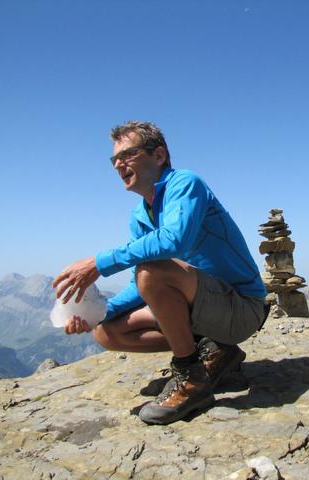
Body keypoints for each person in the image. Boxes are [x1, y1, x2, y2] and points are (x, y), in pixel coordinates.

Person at [53, 120, 267, 425]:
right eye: (114, 159)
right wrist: (97, 313)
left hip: (241, 307)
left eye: (128, 154)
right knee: (106, 331)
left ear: (159, 155)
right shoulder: (139, 215)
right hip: (202, 309)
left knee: (152, 270)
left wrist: (100, 263)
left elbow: (175, 240)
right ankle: (215, 351)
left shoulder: (185, 184)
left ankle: (191, 378)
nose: (119, 165)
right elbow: (139, 285)